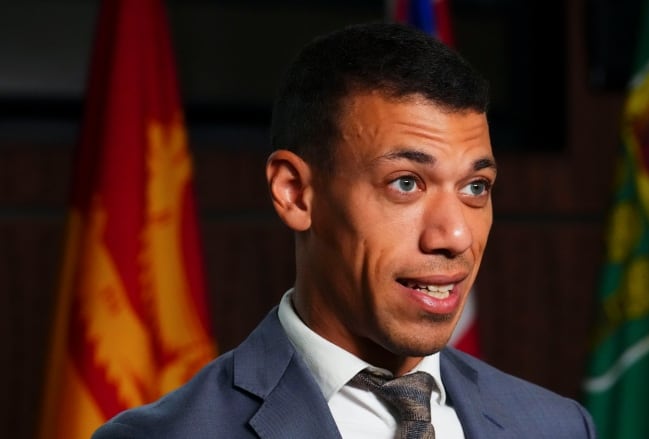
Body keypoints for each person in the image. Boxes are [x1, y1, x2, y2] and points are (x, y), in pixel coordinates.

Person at [93, 22, 596, 438]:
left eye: (475, 188)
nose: (455, 237)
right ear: (295, 193)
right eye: (406, 183)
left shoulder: (558, 427)